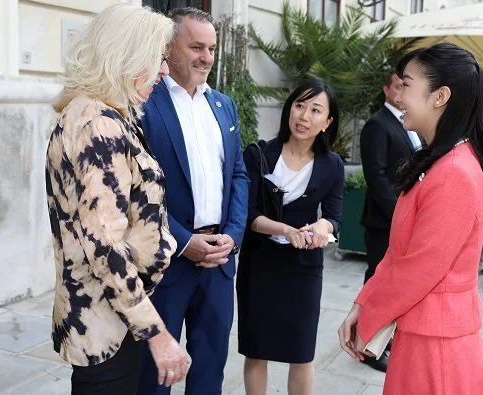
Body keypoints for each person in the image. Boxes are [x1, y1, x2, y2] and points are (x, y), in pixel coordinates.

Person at [338, 42, 483, 394]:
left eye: (407, 84)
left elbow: (419, 268)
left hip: (437, 347)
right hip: (425, 334)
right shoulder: (442, 160)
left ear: (440, 96)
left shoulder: (455, 171)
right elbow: (400, 255)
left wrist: (367, 316)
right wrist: (363, 302)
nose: (399, 95)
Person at [45, 4, 191, 394]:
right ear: (127, 55)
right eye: (159, 57)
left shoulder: (102, 114)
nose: (164, 70)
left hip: (112, 318)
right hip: (107, 326)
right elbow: (105, 246)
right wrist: (157, 334)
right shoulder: (98, 125)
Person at [136, 7, 249, 395]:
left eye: (212, 48)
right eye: (197, 47)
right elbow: (138, 192)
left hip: (219, 261)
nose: (207, 57)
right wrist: (185, 243)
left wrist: (232, 235)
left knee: (210, 370)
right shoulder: (145, 105)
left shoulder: (224, 105)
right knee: (154, 375)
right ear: (168, 48)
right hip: (168, 263)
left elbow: (238, 174)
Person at [237, 80, 344, 395]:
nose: (304, 116)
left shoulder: (332, 165)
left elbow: (335, 217)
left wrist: (323, 227)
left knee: (301, 354)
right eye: (299, 105)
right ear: (289, 109)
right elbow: (249, 215)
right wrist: (284, 230)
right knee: (257, 350)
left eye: (315, 110)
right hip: (260, 265)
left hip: (303, 269)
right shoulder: (259, 154)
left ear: (327, 122)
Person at [358, 71, 423, 372]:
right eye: (399, 85)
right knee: (377, 281)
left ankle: (387, 339)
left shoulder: (411, 123)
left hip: (406, 217)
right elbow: (377, 177)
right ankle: (368, 345)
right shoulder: (376, 124)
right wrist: (400, 216)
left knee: (396, 282)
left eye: (406, 86)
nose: (402, 91)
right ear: (386, 89)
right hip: (384, 220)